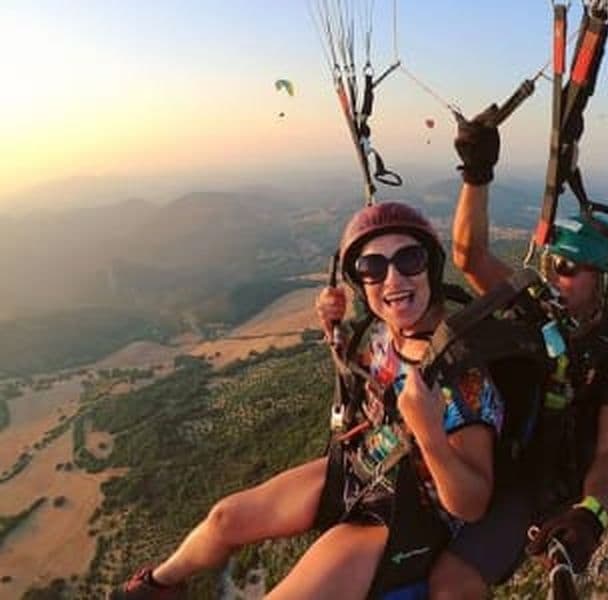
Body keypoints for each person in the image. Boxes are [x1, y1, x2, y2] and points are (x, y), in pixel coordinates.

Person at [110, 202, 502, 600]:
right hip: (362, 466)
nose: (393, 278)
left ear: (430, 267)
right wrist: (333, 330)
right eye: (372, 267)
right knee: (224, 519)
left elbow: (472, 504)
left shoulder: (460, 374)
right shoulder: (388, 334)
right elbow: (364, 383)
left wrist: (430, 433)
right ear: (361, 284)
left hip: (408, 510)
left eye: (409, 259)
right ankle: (156, 588)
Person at [423, 106, 608, 598]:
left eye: (567, 267)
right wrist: (477, 174)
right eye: (551, 263)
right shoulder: (536, 305)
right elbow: (469, 256)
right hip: (477, 452)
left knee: (449, 583)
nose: (553, 275)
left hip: (530, 486)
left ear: (604, 283)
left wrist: (591, 513)